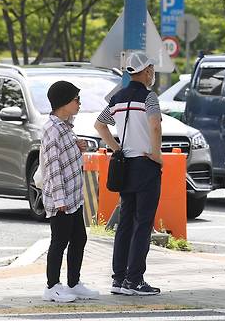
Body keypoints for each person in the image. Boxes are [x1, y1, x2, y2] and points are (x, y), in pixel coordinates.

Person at [94, 52, 163, 296]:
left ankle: (119, 279)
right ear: (145, 71)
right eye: (152, 69)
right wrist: (156, 154)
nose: (152, 73)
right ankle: (135, 280)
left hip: (125, 167)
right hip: (146, 165)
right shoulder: (149, 97)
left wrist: (117, 148)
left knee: (125, 223)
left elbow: (100, 124)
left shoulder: (118, 97)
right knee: (143, 223)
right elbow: (155, 125)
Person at [41, 80, 99, 303]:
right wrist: (59, 199)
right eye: (76, 99)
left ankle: (74, 283)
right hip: (62, 198)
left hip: (74, 195)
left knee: (79, 239)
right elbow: (53, 165)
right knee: (59, 241)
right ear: (63, 102)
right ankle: (52, 287)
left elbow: (65, 154)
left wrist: (78, 146)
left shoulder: (65, 127)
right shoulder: (52, 129)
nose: (79, 103)